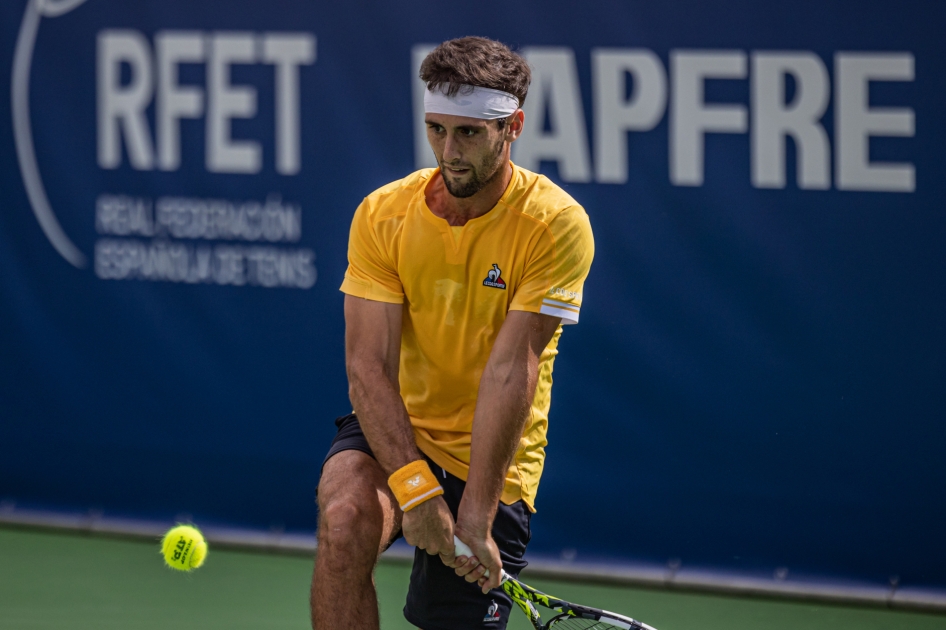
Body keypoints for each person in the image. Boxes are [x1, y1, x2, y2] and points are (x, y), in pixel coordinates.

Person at [310, 36, 594, 630]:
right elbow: (368, 369)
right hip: (398, 425)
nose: (448, 150)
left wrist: (475, 516)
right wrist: (415, 490)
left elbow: (510, 367)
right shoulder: (384, 213)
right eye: (436, 129)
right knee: (345, 518)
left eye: (468, 133)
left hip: (493, 454)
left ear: (512, 126)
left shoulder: (555, 224)